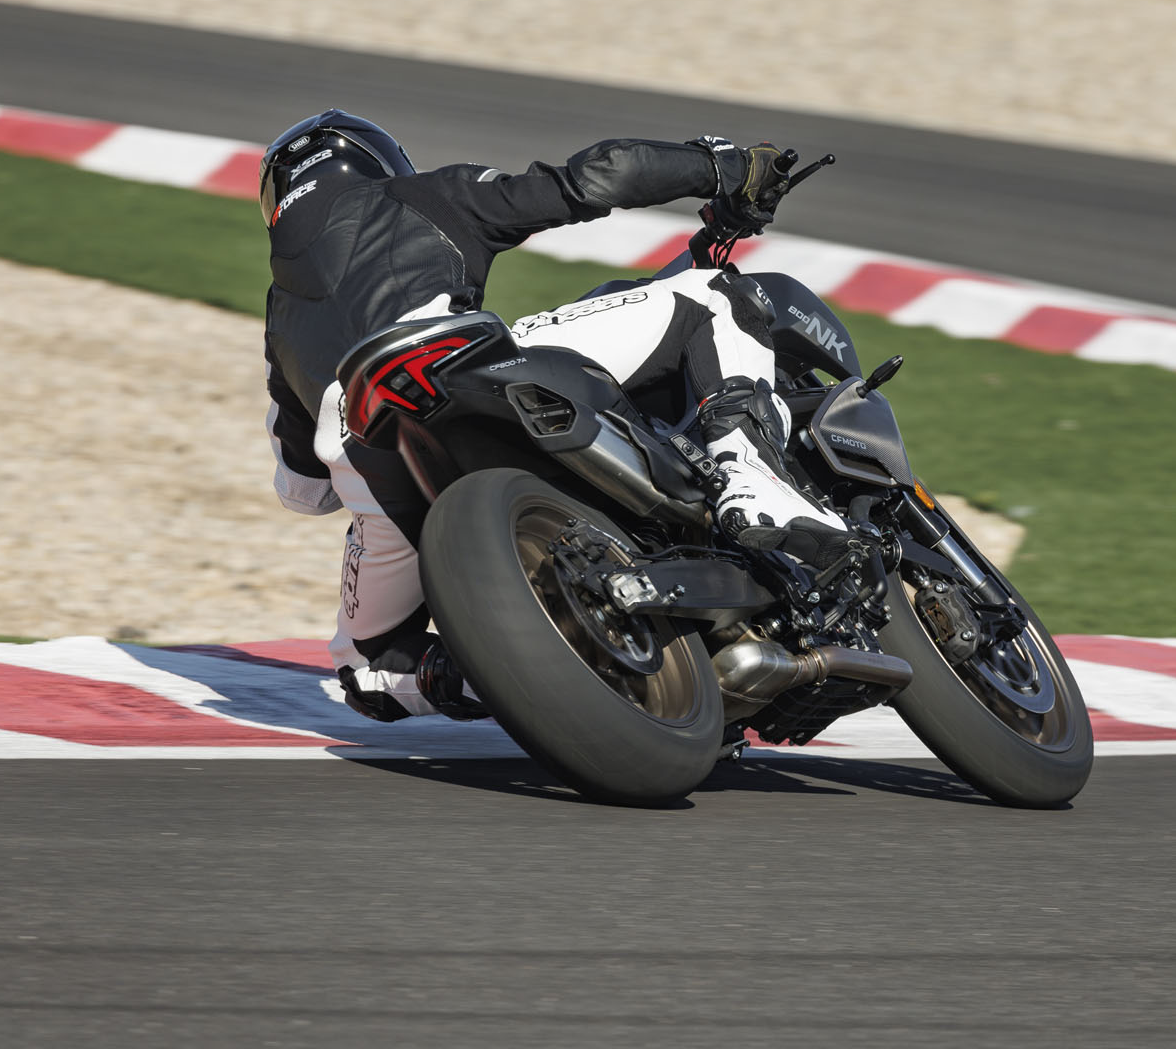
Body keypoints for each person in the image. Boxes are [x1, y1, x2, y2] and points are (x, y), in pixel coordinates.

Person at [259, 110, 851, 723]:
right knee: (712, 297)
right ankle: (750, 479)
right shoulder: (418, 195)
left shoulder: (279, 319)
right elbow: (596, 177)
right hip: (466, 359)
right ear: (375, 159)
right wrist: (727, 167)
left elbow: (303, 492)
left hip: (368, 449)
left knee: (366, 673)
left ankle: (526, 671)